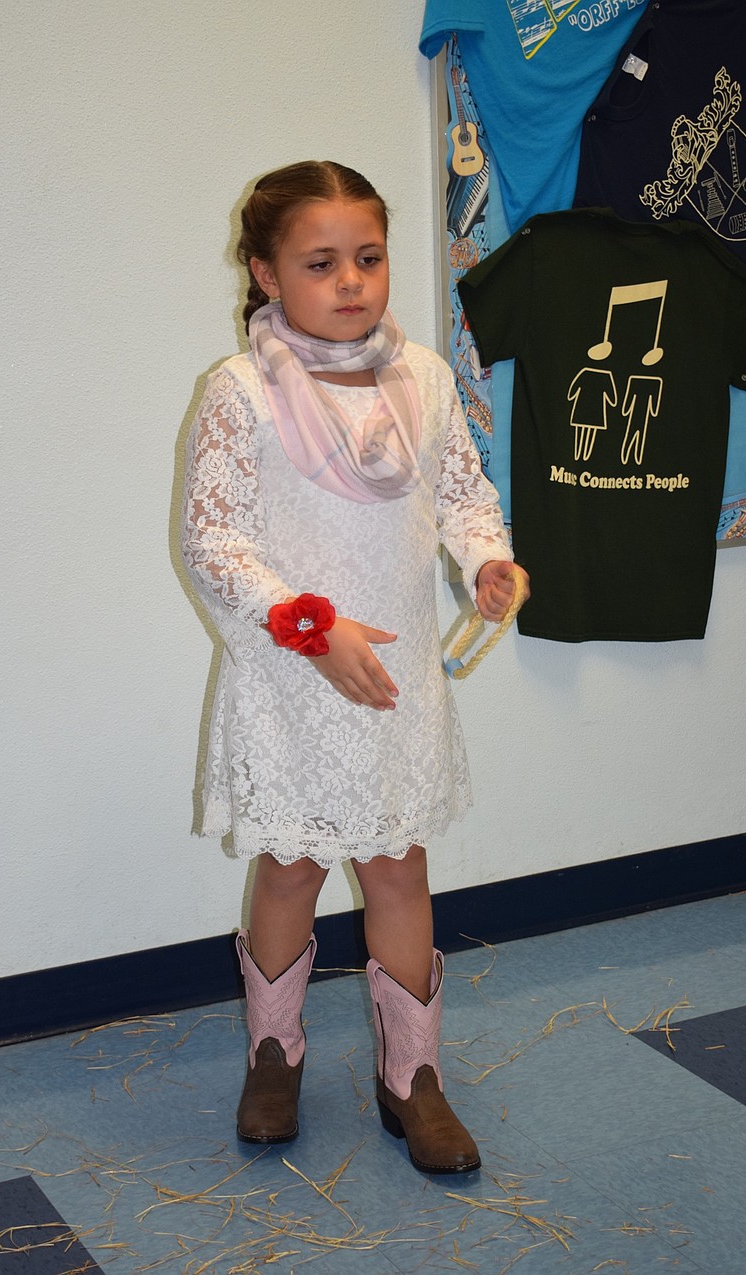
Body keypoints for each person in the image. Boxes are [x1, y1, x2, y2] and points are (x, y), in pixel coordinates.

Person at [181, 160, 529, 1175]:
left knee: (397, 866)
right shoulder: (236, 393)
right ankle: (272, 1057)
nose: (350, 281)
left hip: (391, 683)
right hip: (295, 674)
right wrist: (309, 625)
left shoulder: (420, 377)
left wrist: (488, 560)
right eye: (319, 262)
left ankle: (411, 1078)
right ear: (264, 272)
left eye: (368, 258)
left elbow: (463, 494)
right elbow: (215, 544)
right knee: (288, 866)